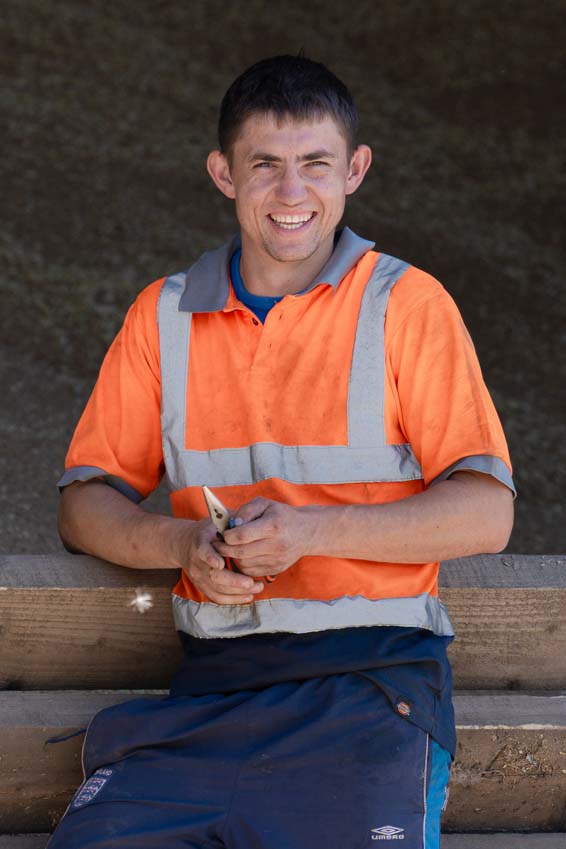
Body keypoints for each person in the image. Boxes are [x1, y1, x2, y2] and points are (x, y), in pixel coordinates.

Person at [51, 55, 515, 849]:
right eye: (265, 165)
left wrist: (309, 531)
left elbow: (488, 511)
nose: (292, 193)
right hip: (210, 691)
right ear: (223, 173)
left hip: (372, 690)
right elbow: (83, 501)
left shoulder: (406, 303)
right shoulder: (162, 316)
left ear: (355, 170)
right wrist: (182, 545)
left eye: (315, 165)